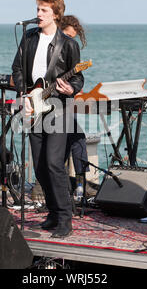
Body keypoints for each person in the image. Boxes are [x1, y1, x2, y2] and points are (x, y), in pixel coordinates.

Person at [12, 0, 84, 238]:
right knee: (41, 167)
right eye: (38, 9)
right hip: (34, 107)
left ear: (55, 14)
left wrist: (72, 87)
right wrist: (24, 94)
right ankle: (52, 212)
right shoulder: (29, 38)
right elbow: (17, 69)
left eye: (43, 10)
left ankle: (65, 217)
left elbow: (78, 76)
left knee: (54, 163)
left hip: (59, 108)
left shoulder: (68, 44)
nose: (38, 14)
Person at [59, 15, 90, 191]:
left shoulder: (69, 53)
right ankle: (57, 187)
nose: (70, 41)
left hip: (64, 111)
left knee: (78, 142)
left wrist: (74, 88)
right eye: (67, 36)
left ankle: (79, 187)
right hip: (49, 113)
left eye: (73, 37)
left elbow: (75, 80)